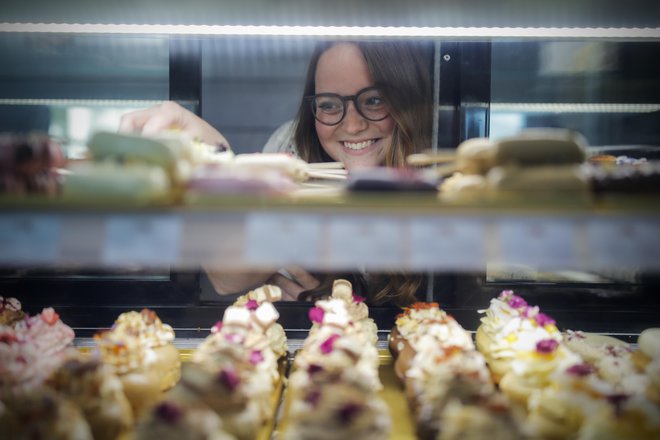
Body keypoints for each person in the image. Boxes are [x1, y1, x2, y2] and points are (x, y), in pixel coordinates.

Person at [119, 40, 434, 306]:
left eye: (374, 100)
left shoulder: (441, 164)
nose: (351, 126)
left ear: (405, 101)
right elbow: (227, 278)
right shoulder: (291, 148)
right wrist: (216, 159)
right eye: (328, 105)